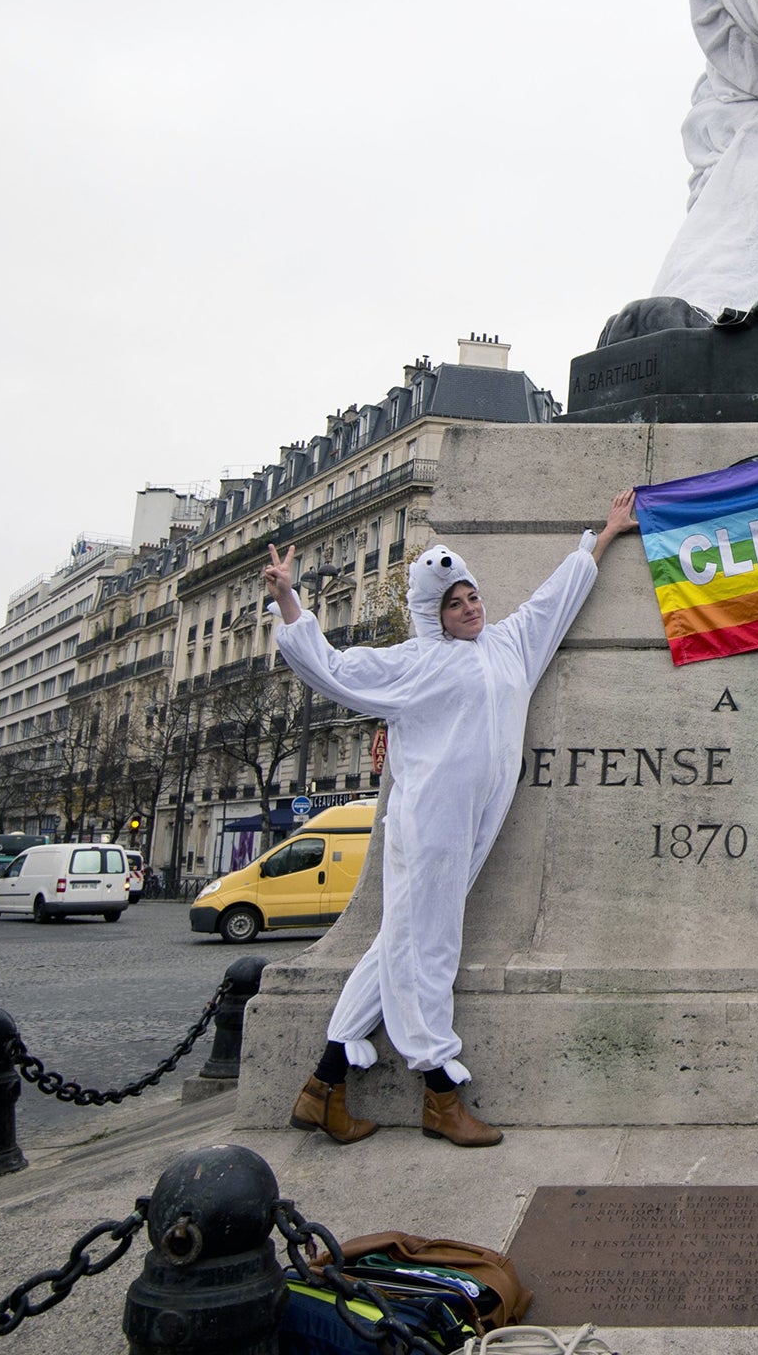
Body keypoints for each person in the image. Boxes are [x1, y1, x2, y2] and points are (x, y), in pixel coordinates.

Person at [264, 491, 637, 1147]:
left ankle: (323, 1085)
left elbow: (555, 600)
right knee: (430, 946)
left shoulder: (509, 645)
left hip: (471, 824)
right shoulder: (413, 663)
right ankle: (439, 1091)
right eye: (456, 604)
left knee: (399, 944)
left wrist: (603, 536)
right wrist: (292, 600)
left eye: (472, 597)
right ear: (434, 615)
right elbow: (331, 668)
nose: (471, 609)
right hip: (429, 825)